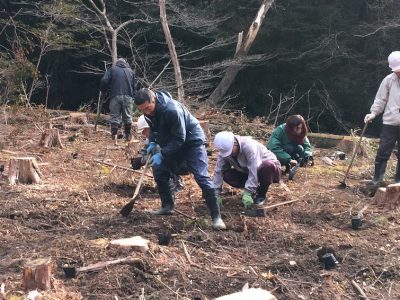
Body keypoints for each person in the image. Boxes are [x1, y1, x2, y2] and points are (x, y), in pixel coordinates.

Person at [133, 88, 226, 230]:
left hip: (191, 143)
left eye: (147, 107)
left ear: (154, 100)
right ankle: (167, 206)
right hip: (172, 144)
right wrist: (152, 142)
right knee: (159, 170)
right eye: (142, 110)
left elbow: (179, 138)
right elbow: (155, 131)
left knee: (202, 177)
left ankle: (216, 217)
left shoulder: (172, 110)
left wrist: (162, 154)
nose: (146, 112)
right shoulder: (148, 114)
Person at [212, 131, 281, 208]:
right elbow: (219, 170)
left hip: (267, 169)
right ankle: (254, 189)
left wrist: (248, 192)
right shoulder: (224, 151)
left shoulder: (249, 146)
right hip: (246, 171)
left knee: (267, 166)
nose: (229, 154)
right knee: (227, 174)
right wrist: (215, 192)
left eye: (230, 151)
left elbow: (254, 168)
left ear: (235, 143)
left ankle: (261, 194)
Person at [364, 51, 400, 186]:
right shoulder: (388, 80)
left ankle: (398, 182)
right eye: (397, 71)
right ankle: (377, 179)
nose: (398, 73)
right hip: (390, 122)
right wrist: (373, 113)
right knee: (383, 152)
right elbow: (380, 99)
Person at [131, 115, 186, 192]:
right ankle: (165, 184)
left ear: (149, 127)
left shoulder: (165, 136)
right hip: (174, 161)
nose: (143, 134)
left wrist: (142, 160)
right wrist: (139, 157)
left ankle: (171, 184)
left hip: (181, 163)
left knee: (157, 156)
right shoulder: (152, 138)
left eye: (144, 131)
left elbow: (159, 154)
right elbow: (146, 149)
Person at [100, 58, 135, 143]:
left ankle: (114, 137)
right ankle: (127, 136)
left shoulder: (112, 69)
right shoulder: (130, 71)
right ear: (125, 63)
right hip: (128, 96)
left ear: (117, 63)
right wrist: (133, 95)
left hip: (115, 95)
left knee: (115, 117)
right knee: (127, 116)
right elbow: (134, 85)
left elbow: (104, 80)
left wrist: (104, 90)